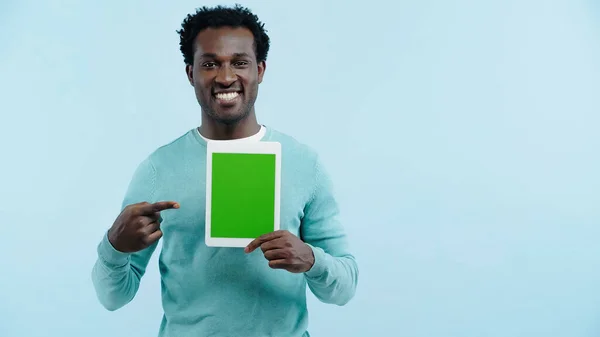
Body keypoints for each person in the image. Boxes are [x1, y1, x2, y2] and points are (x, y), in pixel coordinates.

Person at [91, 4, 358, 337]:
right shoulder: (158, 168)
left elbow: (345, 288)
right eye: (210, 64)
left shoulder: (304, 164)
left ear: (260, 70)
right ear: (191, 73)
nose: (226, 76)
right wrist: (114, 246)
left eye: (240, 62)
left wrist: (312, 260)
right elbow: (112, 297)